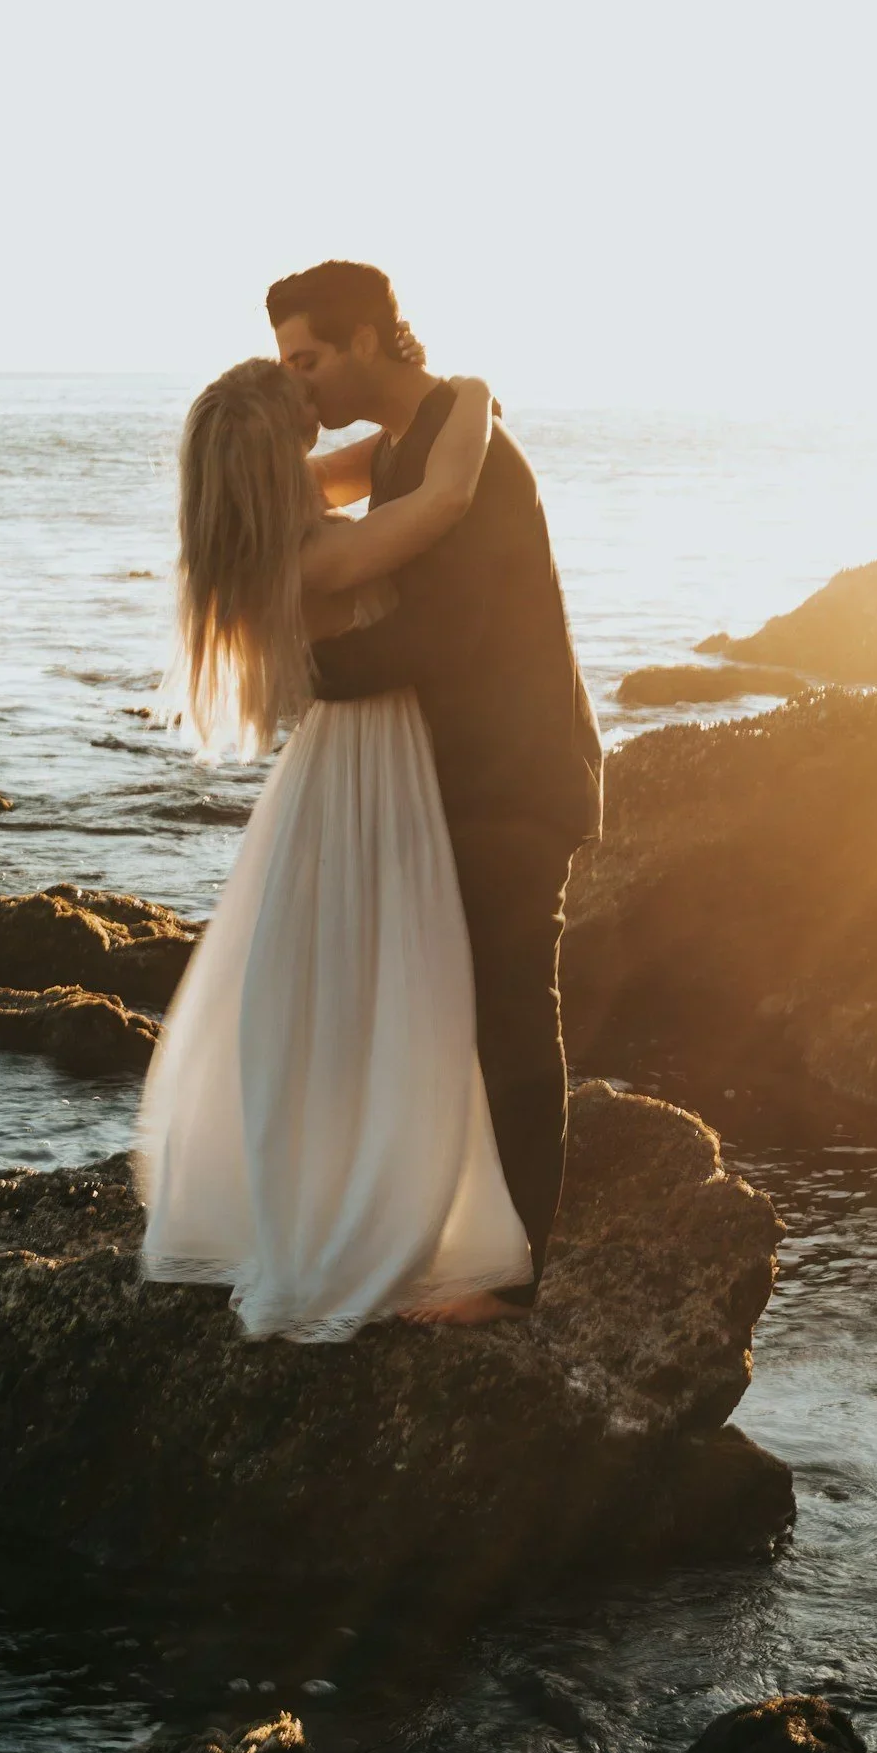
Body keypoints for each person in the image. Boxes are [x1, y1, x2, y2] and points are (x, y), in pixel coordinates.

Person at [133, 354, 534, 1341]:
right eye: (298, 404)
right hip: (370, 767)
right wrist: (473, 392)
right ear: (278, 449)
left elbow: (371, 459)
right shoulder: (316, 558)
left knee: (329, 985)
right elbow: (442, 495)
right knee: (388, 985)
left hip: (339, 766)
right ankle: (360, 1215)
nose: (317, 407)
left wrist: (395, 421)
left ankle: (343, 1182)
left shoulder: (266, 528)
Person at [269, 260, 603, 1322]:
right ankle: (439, 1240)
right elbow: (289, 497)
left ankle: (514, 1279)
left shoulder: (474, 457)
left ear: (366, 338)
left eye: (306, 360)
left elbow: (442, 635)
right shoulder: (416, 441)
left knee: (508, 1013)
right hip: (454, 774)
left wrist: (299, 672)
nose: (298, 387)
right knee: (439, 1014)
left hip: (513, 777)